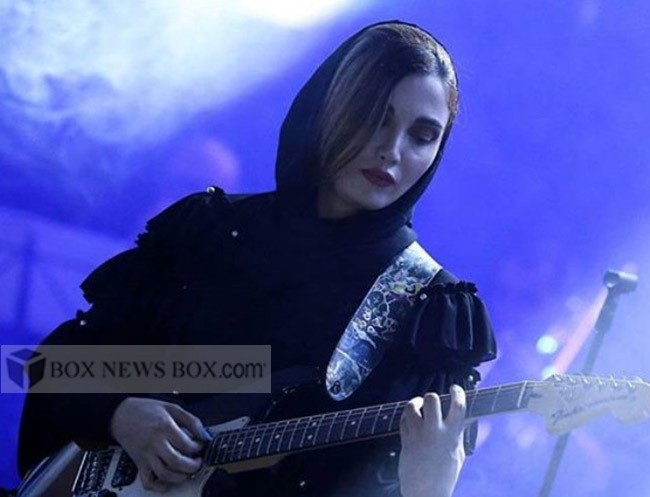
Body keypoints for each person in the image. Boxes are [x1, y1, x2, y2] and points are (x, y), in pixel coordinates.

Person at [18, 20, 497, 497]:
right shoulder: (210, 231)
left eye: (422, 134)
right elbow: (49, 365)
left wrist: (429, 489)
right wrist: (119, 412)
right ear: (328, 107)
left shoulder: (431, 312)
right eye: (377, 117)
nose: (391, 150)